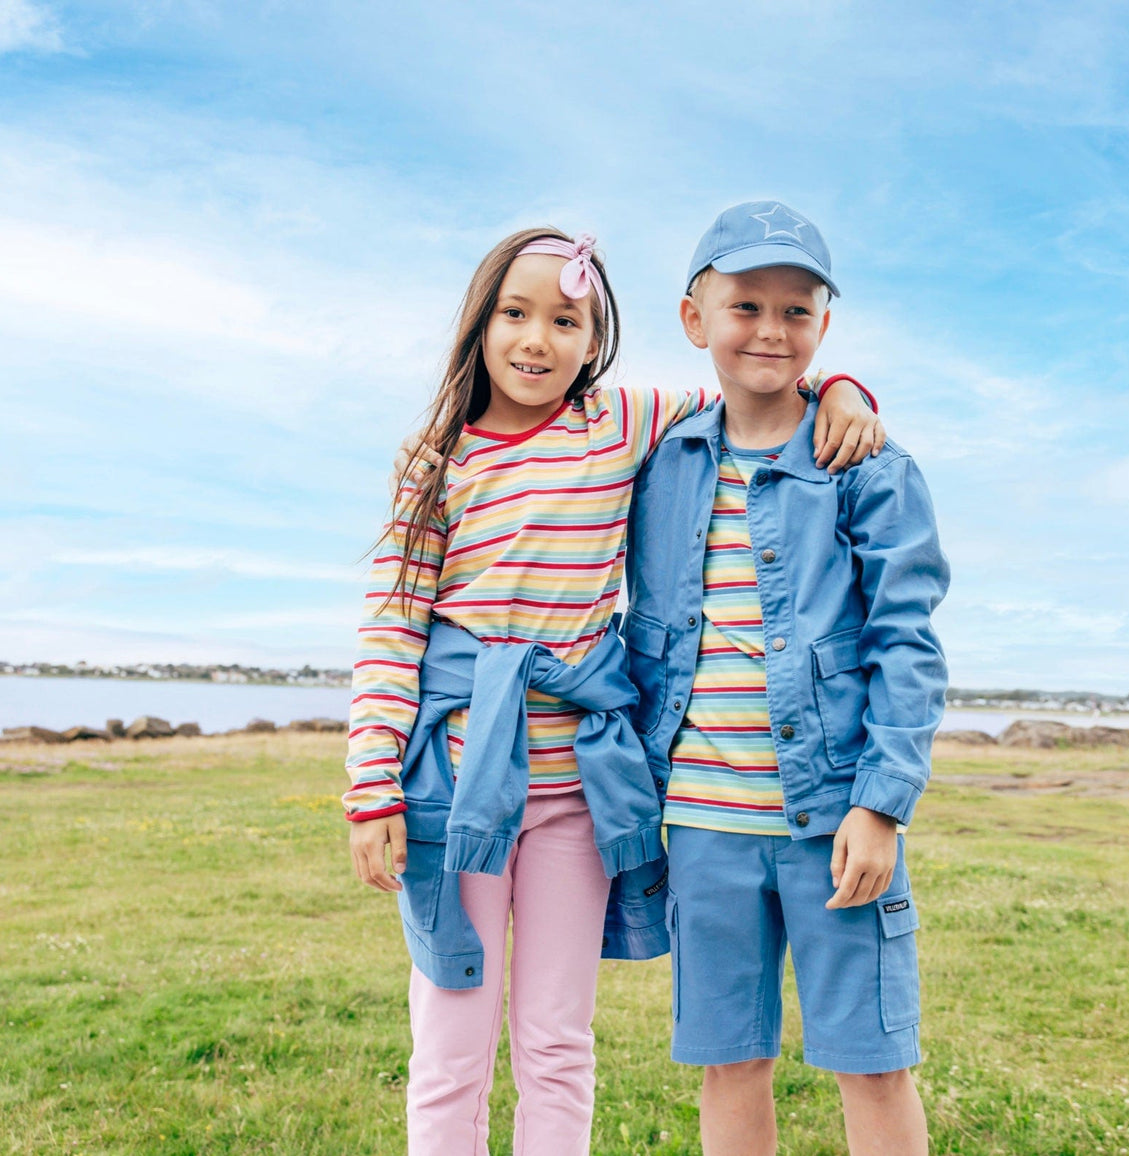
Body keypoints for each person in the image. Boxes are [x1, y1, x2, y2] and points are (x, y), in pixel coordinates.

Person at [342, 226, 884, 1156]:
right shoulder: (436, 462)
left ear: (595, 340)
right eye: (515, 313)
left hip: (576, 799)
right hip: (454, 790)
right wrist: (370, 786)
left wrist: (840, 386)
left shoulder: (622, 421)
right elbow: (392, 629)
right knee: (450, 1047)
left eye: (565, 319)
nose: (536, 339)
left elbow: (751, 383)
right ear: (479, 325)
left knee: (557, 1042)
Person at [622, 202, 950, 1156]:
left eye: (796, 312)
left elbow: (906, 644)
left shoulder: (868, 466)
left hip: (834, 823)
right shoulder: (658, 459)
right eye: (746, 306)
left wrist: (882, 806)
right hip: (701, 824)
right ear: (695, 319)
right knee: (730, 1063)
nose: (770, 330)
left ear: (823, 327)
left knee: (872, 1063)